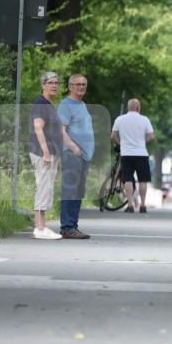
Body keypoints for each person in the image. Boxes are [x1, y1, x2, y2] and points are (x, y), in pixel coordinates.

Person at [58, 73, 94, 239]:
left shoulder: (82, 104)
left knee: (78, 191)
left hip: (83, 156)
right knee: (70, 190)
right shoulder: (66, 105)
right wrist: (73, 147)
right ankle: (67, 227)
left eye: (83, 84)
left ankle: (73, 226)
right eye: (78, 84)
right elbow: (61, 130)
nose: (81, 87)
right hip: (72, 154)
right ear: (70, 86)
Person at [28, 71, 63, 239]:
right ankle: (40, 228)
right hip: (43, 153)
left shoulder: (49, 104)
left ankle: (42, 226)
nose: (54, 85)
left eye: (56, 83)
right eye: (50, 82)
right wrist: (46, 152)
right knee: (43, 187)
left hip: (52, 153)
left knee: (47, 188)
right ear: (43, 85)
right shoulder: (41, 103)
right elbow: (38, 128)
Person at [111, 98, 155, 214]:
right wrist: (143, 142)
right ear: (138, 107)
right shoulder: (144, 119)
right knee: (143, 180)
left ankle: (130, 205)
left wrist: (121, 144)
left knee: (128, 179)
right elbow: (151, 136)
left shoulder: (120, 119)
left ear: (128, 107)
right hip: (141, 154)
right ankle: (143, 205)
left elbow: (113, 136)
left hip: (126, 154)